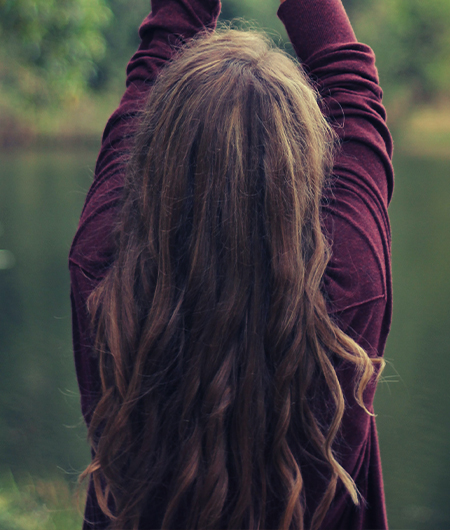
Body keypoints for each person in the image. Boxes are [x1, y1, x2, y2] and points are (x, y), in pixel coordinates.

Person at [69, 0, 394, 528]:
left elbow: (152, 65)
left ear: (155, 145)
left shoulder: (104, 275)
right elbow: (357, 100)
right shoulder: (349, 286)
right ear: (305, 156)